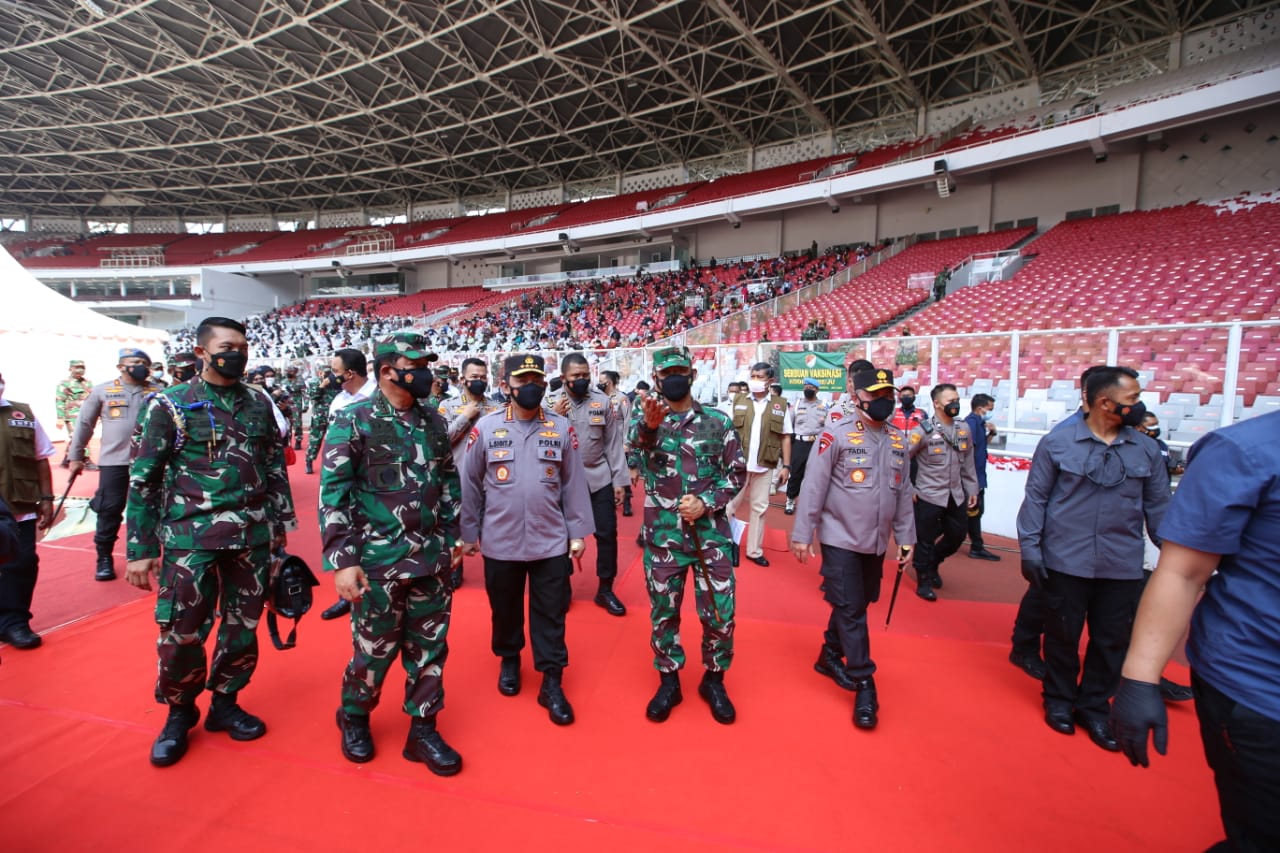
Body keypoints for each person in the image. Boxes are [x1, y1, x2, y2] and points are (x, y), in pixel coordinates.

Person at [125, 317, 297, 768]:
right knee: (182, 632)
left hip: (252, 536)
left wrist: (280, 531)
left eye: (242, 345)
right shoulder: (170, 403)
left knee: (243, 628)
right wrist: (140, 549)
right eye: (226, 346)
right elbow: (144, 478)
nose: (236, 353)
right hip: (190, 538)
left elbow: (274, 466)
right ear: (202, 352)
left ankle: (226, 702)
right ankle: (180, 712)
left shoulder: (259, 402)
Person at [1110, 411, 1280, 852]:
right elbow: (1184, 572)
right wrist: (1140, 678)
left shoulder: (1148, 447)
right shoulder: (1246, 451)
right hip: (1259, 692)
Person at [320, 332, 463, 776]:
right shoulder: (352, 419)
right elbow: (333, 496)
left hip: (432, 559)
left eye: (427, 365)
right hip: (378, 564)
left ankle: (422, 730)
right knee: (373, 651)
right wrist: (343, 562)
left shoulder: (435, 422)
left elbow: (448, 480)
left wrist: (455, 536)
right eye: (416, 365)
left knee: (430, 651)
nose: (426, 374)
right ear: (387, 371)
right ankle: (356, 717)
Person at [1016, 366, 1169, 752]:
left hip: (1122, 565)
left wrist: (1176, 557)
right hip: (1066, 560)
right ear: (1106, 403)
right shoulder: (1058, 442)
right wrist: (1030, 550)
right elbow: (1035, 499)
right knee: (1064, 637)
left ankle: (1095, 708)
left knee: (1111, 641)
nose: (1139, 405)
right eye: (1132, 399)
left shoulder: (1146, 450)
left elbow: (1160, 509)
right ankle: (1060, 701)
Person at [459, 354, 594, 726]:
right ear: (506, 386)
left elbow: (573, 482)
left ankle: (552, 679)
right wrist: (468, 532)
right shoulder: (485, 428)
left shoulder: (561, 427)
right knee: (504, 608)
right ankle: (510, 658)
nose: (531, 386)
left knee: (551, 611)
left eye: (537, 379)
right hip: (500, 541)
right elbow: (469, 483)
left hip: (550, 539)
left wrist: (578, 532)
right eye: (523, 380)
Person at [790, 367, 914, 729]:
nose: (885, 402)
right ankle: (864, 681)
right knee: (851, 608)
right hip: (839, 536)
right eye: (876, 395)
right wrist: (803, 532)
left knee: (859, 601)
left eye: (888, 395)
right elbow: (813, 485)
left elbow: (903, 492)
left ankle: (830, 653)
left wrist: (906, 537)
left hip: (875, 541)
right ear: (858, 397)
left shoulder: (897, 440)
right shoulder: (836, 434)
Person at [629, 346, 746, 724]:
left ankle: (714, 679)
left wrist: (708, 501)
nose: (674, 378)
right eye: (667, 374)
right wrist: (648, 426)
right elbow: (636, 455)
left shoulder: (718, 421)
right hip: (664, 538)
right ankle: (669, 680)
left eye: (681, 371)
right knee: (664, 613)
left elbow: (736, 473)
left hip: (710, 536)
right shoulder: (646, 417)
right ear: (658, 378)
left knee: (720, 612)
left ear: (692, 375)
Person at [69, 348, 164, 582]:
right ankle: (104, 556)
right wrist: (76, 455)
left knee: (155, 507)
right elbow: (84, 424)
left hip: (151, 460)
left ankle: (155, 555)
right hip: (115, 461)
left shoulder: (160, 391)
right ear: (121, 366)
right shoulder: (102, 391)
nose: (141, 365)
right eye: (135, 362)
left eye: (144, 362)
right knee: (110, 509)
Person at [552, 352, 630, 616]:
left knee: (607, 534)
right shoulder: (548, 402)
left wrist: (620, 481)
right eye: (576, 376)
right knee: (559, 537)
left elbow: (613, 444)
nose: (582, 379)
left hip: (598, 478)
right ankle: (561, 588)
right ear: (564, 378)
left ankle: (605, 589)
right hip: (561, 482)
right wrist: (552, 416)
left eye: (586, 375)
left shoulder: (602, 402)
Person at [0, 372, 56, 649]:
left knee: (21, 563)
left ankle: (14, 622)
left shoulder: (21, 413)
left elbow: (41, 457)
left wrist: (47, 498)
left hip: (18, 504)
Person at [908, 383, 979, 601]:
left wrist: (972, 489)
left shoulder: (963, 429)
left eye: (957, 399)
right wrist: (909, 488)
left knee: (957, 535)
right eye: (950, 400)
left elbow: (968, 462)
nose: (955, 404)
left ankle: (934, 562)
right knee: (925, 538)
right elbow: (900, 459)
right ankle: (924, 579)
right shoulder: (922, 431)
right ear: (937, 404)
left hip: (955, 494)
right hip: (929, 494)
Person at [438, 357, 502, 590]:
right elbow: (441, 441)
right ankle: (456, 568)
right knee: (456, 527)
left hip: (490, 479)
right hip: (457, 478)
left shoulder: (495, 408)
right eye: (474, 377)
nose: (479, 381)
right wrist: (465, 416)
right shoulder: (448, 406)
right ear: (463, 378)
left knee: (491, 527)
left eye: (483, 377)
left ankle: (494, 570)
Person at [727, 362, 792, 567]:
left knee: (760, 509)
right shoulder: (738, 400)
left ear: (770, 381)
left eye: (759, 377)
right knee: (728, 507)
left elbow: (786, 437)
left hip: (765, 465)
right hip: (738, 465)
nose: (754, 380)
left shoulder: (780, 405)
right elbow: (727, 432)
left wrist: (787, 466)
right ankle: (727, 545)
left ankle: (754, 551)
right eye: (752, 375)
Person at [963, 393, 1001, 561]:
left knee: (974, 512)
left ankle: (976, 545)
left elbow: (981, 446)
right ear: (980, 408)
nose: (991, 412)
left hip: (978, 474)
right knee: (972, 511)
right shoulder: (971, 424)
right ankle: (976, 546)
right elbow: (967, 452)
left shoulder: (980, 423)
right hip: (973, 476)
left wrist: (991, 433)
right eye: (989, 409)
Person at [785, 377, 828, 515]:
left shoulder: (825, 405)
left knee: (817, 475)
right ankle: (790, 499)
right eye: (806, 387)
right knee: (796, 473)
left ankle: (814, 503)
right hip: (800, 443)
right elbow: (788, 426)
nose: (808, 389)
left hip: (817, 444)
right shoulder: (796, 405)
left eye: (811, 387)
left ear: (817, 390)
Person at [600, 370, 635, 517]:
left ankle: (627, 502)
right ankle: (610, 501)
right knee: (606, 473)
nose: (599, 383)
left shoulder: (622, 398)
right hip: (603, 443)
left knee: (621, 473)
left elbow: (628, 420)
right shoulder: (599, 398)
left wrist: (626, 442)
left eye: (601, 380)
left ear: (608, 382)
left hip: (619, 442)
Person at [54, 359, 93, 469]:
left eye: (82, 367)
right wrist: (60, 418)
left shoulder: (87, 382)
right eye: (77, 367)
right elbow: (60, 400)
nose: (80, 370)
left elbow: (93, 398)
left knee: (77, 437)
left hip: (86, 413)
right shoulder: (64, 383)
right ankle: (86, 459)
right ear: (70, 368)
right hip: (72, 415)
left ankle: (66, 459)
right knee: (80, 436)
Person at [305, 363, 341, 474]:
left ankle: (335, 463)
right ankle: (309, 461)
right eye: (324, 372)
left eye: (329, 372)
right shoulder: (314, 382)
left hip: (334, 416)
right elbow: (313, 396)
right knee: (315, 440)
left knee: (336, 440)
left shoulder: (336, 382)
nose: (327, 375)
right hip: (319, 417)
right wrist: (322, 385)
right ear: (319, 372)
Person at [327, 348, 376, 417]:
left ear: (349, 374)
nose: (332, 376)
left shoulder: (378, 394)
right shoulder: (338, 400)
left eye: (335, 371)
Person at [1137, 412, 1184, 476]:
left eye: (1157, 424)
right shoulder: (1132, 445)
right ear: (1138, 427)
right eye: (1152, 425)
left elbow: (1165, 466)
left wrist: (1173, 470)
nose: (1156, 428)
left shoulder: (1162, 445)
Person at [283, 364, 308, 451]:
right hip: (285, 405)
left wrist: (306, 404)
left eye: (291, 371)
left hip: (296, 406)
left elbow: (305, 393)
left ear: (295, 372)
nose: (289, 372)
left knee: (297, 424)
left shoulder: (300, 381)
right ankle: (288, 441)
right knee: (287, 424)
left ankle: (298, 440)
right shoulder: (284, 382)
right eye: (288, 371)